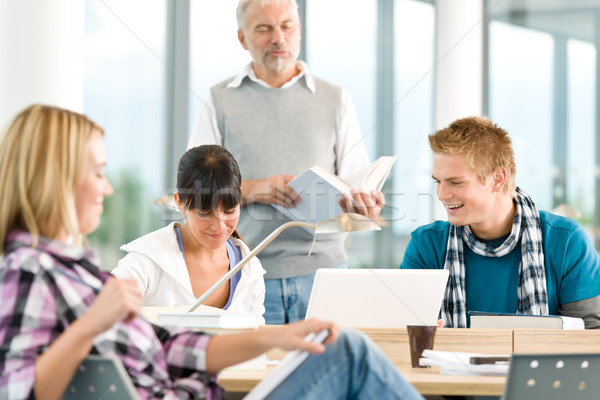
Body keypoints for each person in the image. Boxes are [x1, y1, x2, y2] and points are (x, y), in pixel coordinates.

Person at [0, 104, 425, 400]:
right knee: (349, 354)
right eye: (98, 172)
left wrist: (278, 335)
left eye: (230, 209)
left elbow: (170, 349)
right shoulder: (30, 271)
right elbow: (21, 392)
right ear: (56, 177)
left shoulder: (76, 273)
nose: (108, 187)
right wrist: (92, 323)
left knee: (341, 350)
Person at [188, 0, 385, 324]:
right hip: (244, 272)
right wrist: (254, 189)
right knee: (254, 375)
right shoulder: (218, 99)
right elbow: (197, 191)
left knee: (329, 370)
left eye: (286, 26)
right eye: (263, 29)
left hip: (326, 274)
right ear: (243, 38)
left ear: (299, 32)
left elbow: (354, 182)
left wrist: (365, 202)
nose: (278, 37)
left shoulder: (336, 98)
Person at [400, 116, 600, 329]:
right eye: (437, 181)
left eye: (455, 182)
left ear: (497, 179)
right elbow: (402, 332)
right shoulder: (426, 245)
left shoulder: (566, 240)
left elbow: (589, 336)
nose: (441, 194)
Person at [112, 145, 266, 322]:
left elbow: (253, 337)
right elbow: (100, 315)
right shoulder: (146, 261)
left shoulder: (249, 268)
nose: (219, 227)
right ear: (180, 203)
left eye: (230, 211)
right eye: (205, 213)